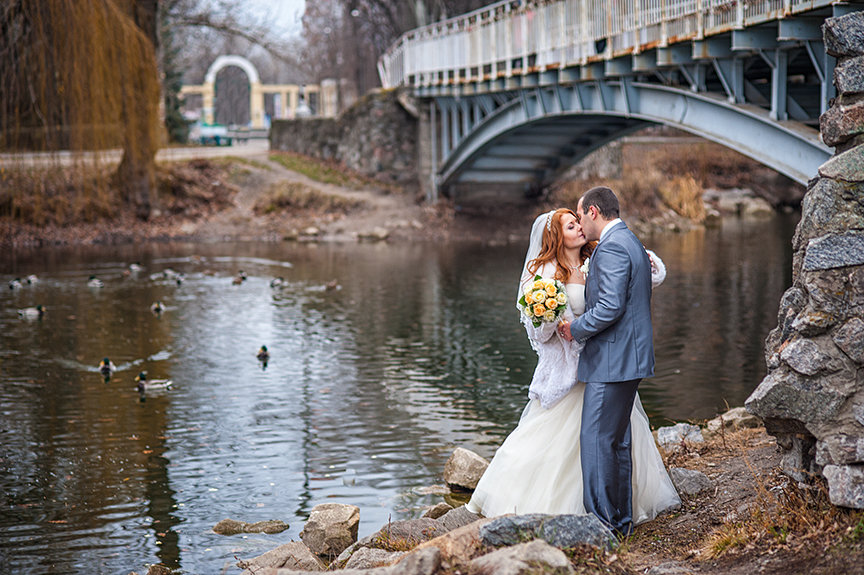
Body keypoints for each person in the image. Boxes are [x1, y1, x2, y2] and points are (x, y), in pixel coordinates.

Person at [465, 206, 679, 531]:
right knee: (554, 441)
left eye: (578, 222)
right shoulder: (544, 273)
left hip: (602, 363)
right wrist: (552, 318)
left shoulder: (598, 256)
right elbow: (538, 333)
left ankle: (614, 511)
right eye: (570, 226)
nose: (579, 228)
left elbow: (642, 281)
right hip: (565, 370)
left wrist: (644, 259)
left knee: (612, 438)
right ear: (556, 236)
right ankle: (546, 510)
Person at [557, 186, 661, 536]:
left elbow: (610, 307)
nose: (581, 224)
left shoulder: (614, 246)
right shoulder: (629, 240)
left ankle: (603, 524)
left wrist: (576, 329)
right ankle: (620, 521)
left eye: (580, 215)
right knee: (617, 442)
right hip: (626, 358)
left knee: (597, 441)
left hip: (614, 359)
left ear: (593, 211)